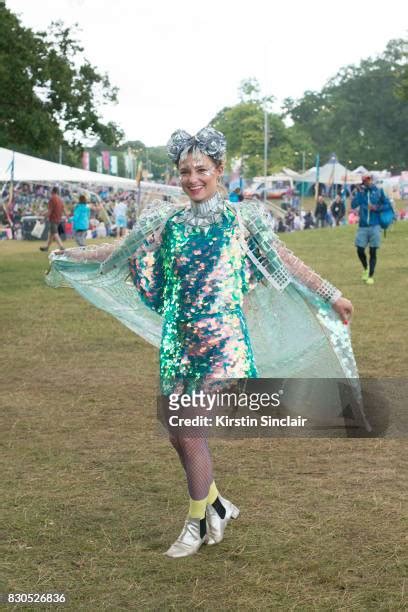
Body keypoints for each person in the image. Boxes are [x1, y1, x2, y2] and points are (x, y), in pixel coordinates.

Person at [46, 127, 356, 559]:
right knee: (177, 433)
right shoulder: (166, 222)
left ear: (219, 170)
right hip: (178, 343)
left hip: (224, 343)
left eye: (202, 170)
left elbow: (285, 261)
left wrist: (332, 293)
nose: (193, 178)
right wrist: (70, 257)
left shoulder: (242, 220)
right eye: (185, 171)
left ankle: (197, 522)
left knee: (190, 428)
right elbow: (118, 252)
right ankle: (217, 504)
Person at [351, 174, 391, 285]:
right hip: (363, 226)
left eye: (368, 179)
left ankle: (370, 276)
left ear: (371, 180)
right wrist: (358, 193)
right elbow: (353, 205)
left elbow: (387, 205)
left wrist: (376, 208)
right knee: (359, 250)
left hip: (375, 225)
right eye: (364, 180)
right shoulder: (362, 193)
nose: (366, 182)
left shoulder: (379, 192)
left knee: (373, 252)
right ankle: (366, 268)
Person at [39, 186, 66, 252]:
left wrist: (44, 219)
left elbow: (50, 210)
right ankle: (46, 247)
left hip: (53, 218)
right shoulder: (60, 199)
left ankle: (61, 247)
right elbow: (63, 209)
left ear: (52, 191)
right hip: (58, 218)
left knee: (55, 233)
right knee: (51, 234)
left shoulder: (52, 199)